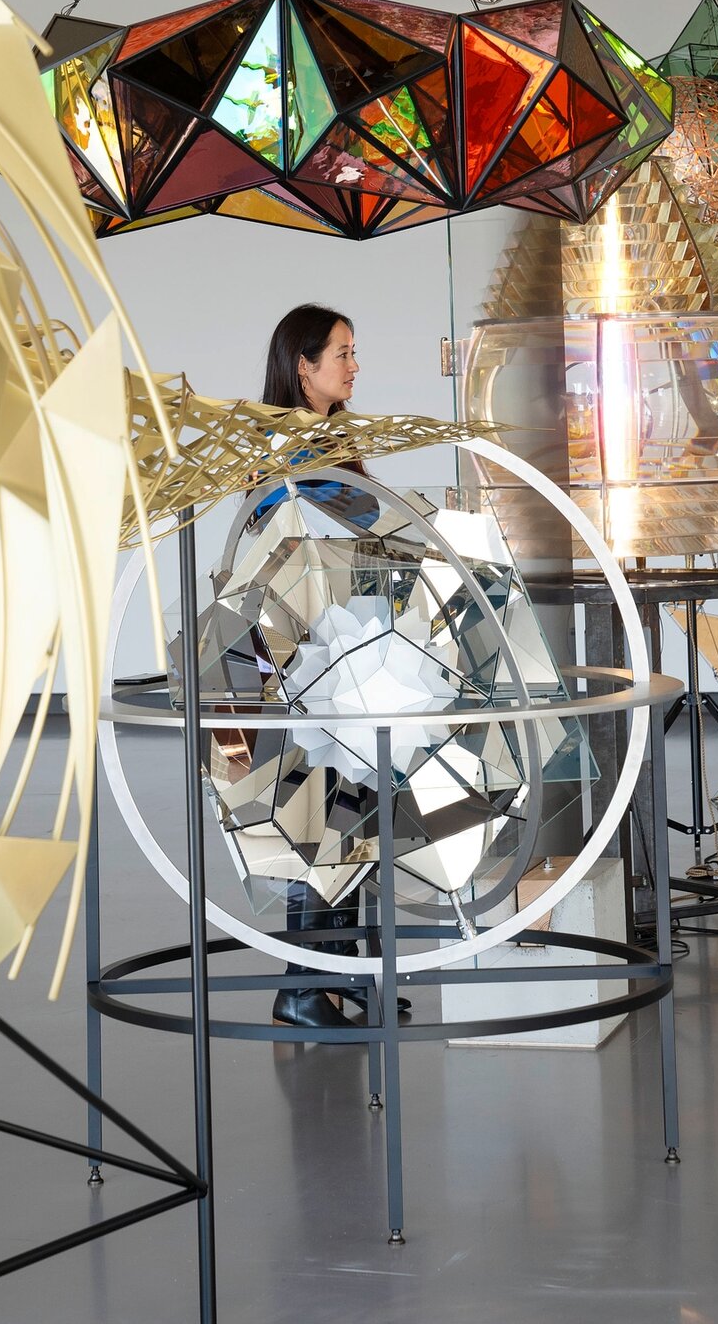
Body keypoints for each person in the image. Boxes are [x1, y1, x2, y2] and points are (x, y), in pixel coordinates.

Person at [258, 305, 408, 1033]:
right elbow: (315, 539)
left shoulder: (327, 441)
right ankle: (302, 986)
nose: (354, 366)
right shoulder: (282, 449)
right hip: (309, 655)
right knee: (324, 815)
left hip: (340, 648)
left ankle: (340, 973)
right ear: (304, 366)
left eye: (353, 351)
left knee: (352, 810)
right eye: (342, 353)